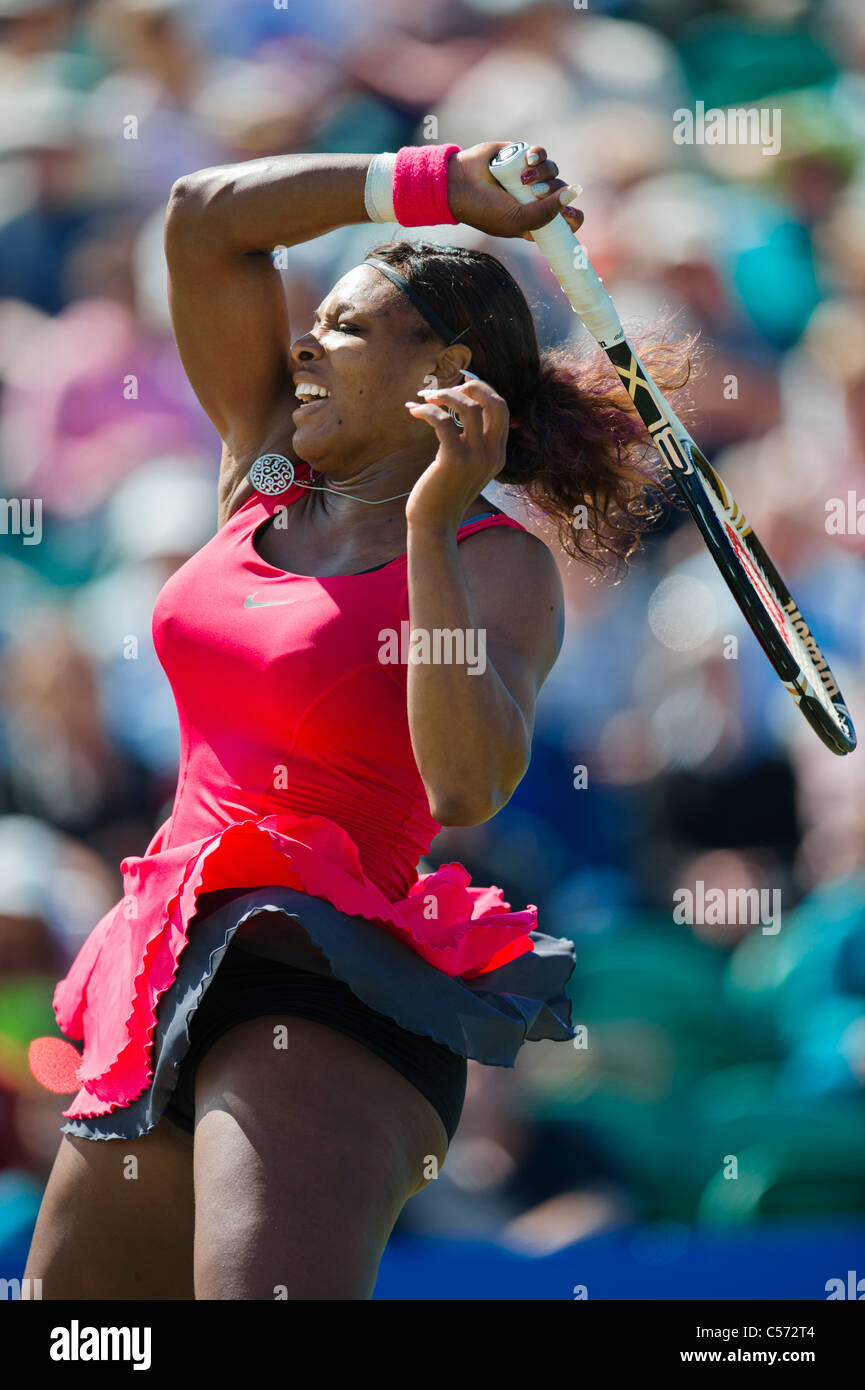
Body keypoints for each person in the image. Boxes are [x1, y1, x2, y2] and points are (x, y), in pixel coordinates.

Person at [25, 141, 686, 1300]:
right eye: (316, 319)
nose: (303, 343)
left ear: (446, 370)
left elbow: (469, 785)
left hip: (328, 992)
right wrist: (434, 182)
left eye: (343, 327)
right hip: (160, 976)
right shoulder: (267, 467)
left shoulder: (496, 564)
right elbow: (202, 215)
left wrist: (428, 527)